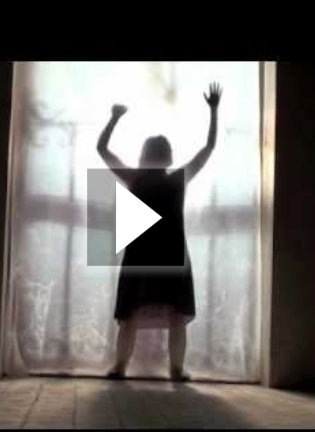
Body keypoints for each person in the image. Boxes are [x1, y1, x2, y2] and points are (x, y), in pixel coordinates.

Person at [96, 83, 222, 381]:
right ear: (167, 157)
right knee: (168, 314)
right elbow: (207, 149)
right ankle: (169, 369)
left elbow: (102, 150)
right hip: (165, 254)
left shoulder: (137, 177)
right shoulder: (173, 178)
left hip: (147, 255)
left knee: (134, 313)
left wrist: (114, 118)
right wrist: (213, 111)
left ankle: (124, 366)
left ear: (144, 156)